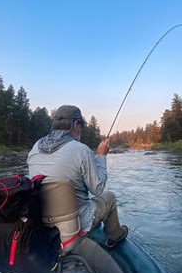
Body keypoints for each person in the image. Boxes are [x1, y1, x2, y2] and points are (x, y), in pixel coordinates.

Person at [27, 105, 128, 248]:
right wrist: (100, 156)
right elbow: (97, 189)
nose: (81, 129)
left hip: (43, 225)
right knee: (109, 197)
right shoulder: (81, 150)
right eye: (81, 125)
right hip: (75, 227)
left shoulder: (35, 148)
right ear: (75, 124)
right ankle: (115, 237)